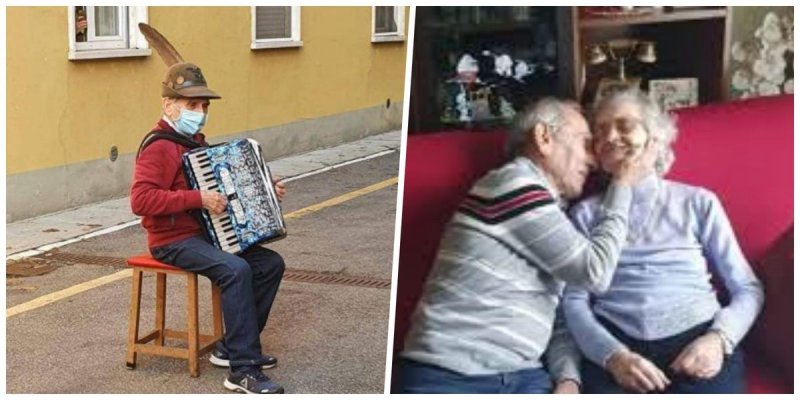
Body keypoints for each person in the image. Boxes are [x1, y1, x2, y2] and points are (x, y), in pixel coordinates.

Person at [395, 98, 655, 394]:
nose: (593, 161)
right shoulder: (512, 184)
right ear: (544, 138)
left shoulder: (553, 215)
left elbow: (554, 317)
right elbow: (595, 272)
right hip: (449, 375)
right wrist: (622, 185)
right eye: (585, 144)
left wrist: (568, 379)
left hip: (524, 376)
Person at [562, 88, 764, 394]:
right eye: (600, 132)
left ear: (654, 137)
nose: (611, 136)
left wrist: (719, 340)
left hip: (696, 339)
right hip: (617, 345)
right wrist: (612, 356)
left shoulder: (698, 202)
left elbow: (747, 288)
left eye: (625, 125)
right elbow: (573, 300)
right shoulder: (585, 214)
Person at [130, 62, 287, 394]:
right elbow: (141, 200)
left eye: (204, 106)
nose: (200, 113)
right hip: (171, 240)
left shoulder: (194, 143)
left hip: (202, 234)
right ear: (168, 105)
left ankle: (231, 347)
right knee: (235, 270)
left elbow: (226, 187)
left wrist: (266, 188)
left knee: (270, 263)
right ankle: (242, 369)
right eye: (192, 106)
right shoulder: (159, 146)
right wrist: (196, 198)